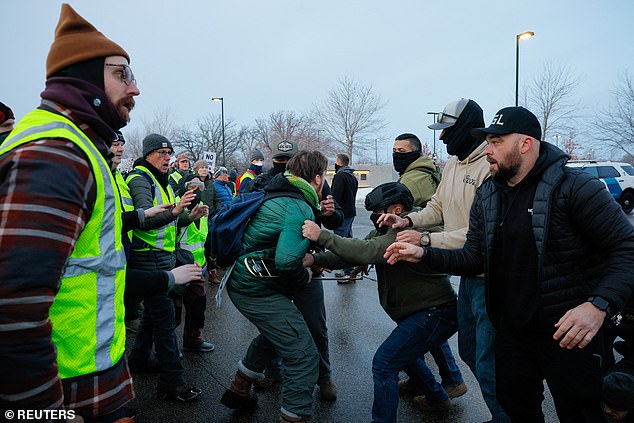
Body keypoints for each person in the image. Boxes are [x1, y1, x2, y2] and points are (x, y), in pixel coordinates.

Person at [385, 106, 634, 422]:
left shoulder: (576, 188)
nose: (488, 150)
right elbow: (474, 256)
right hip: (512, 333)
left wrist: (598, 305)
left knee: (580, 413)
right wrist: (425, 251)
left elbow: (626, 247)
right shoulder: (489, 194)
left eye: (497, 142)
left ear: (526, 144)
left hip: (569, 333)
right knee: (517, 410)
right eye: (487, 142)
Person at [0, 4, 140, 420]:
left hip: (87, 372)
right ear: (82, 77)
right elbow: (11, 305)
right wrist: (42, 411)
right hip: (64, 388)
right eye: (122, 74)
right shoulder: (57, 155)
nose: (135, 88)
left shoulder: (74, 148)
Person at [378, 98, 508, 421]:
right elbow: (436, 208)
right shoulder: (451, 165)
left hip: (489, 279)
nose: (443, 139)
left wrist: (425, 240)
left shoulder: (487, 170)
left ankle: (504, 415)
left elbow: (476, 235)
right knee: (469, 351)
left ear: (466, 129)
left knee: (488, 362)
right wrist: (408, 221)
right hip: (464, 273)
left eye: (448, 131)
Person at [302, 182, 460, 422]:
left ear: (397, 209)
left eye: (377, 211)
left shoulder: (404, 232)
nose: (374, 217)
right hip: (419, 312)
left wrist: (322, 236)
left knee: (385, 363)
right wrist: (314, 261)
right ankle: (437, 398)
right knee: (405, 354)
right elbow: (351, 253)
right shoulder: (383, 229)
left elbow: (367, 251)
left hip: (434, 313)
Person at [221, 150, 328, 423]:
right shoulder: (299, 205)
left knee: (275, 335)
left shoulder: (281, 192)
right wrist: (306, 276)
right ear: (317, 179)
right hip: (255, 288)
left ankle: (240, 388)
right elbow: (287, 260)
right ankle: (294, 416)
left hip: (245, 280)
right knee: (304, 355)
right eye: (324, 176)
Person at [240, 139, 342, 401]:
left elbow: (335, 218)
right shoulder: (266, 182)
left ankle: (325, 378)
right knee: (279, 332)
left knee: (315, 325)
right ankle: (274, 376)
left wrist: (329, 214)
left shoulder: (314, 186)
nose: (283, 164)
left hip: (303, 263)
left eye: (288, 159)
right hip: (279, 269)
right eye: (279, 160)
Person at [126, 133, 207, 402]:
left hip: (161, 257)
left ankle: (137, 359)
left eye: (170, 153)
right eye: (162, 153)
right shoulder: (140, 178)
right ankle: (173, 383)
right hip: (148, 258)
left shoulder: (160, 180)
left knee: (154, 314)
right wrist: (174, 213)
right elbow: (144, 219)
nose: (168, 158)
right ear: (148, 155)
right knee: (165, 320)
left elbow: (169, 220)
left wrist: (188, 216)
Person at [173, 173, 216, 352]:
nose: (197, 190)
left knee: (198, 305)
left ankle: (193, 338)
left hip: (198, 269)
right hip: (176, 267)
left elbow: (204, 240)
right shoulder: (176, 207)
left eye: (200, 185)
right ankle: (167, 345)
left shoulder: (203, 210)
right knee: (173, 310)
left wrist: (211, 264)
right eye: (193, 186)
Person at [331, 153, 359, 283]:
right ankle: (348, 270)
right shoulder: (352, 176)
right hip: (350, 212)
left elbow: (335, 195)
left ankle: (347, 272)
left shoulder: (340, 176)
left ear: (339, 162)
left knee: (341, 243)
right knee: (348, 240)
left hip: (342, 214)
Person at [392, 133, 440, 208]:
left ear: (415, 153)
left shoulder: (409, 181)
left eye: (402, 151)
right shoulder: (430, 169)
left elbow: (397, 211)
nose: (396, 155)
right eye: (395, 151)